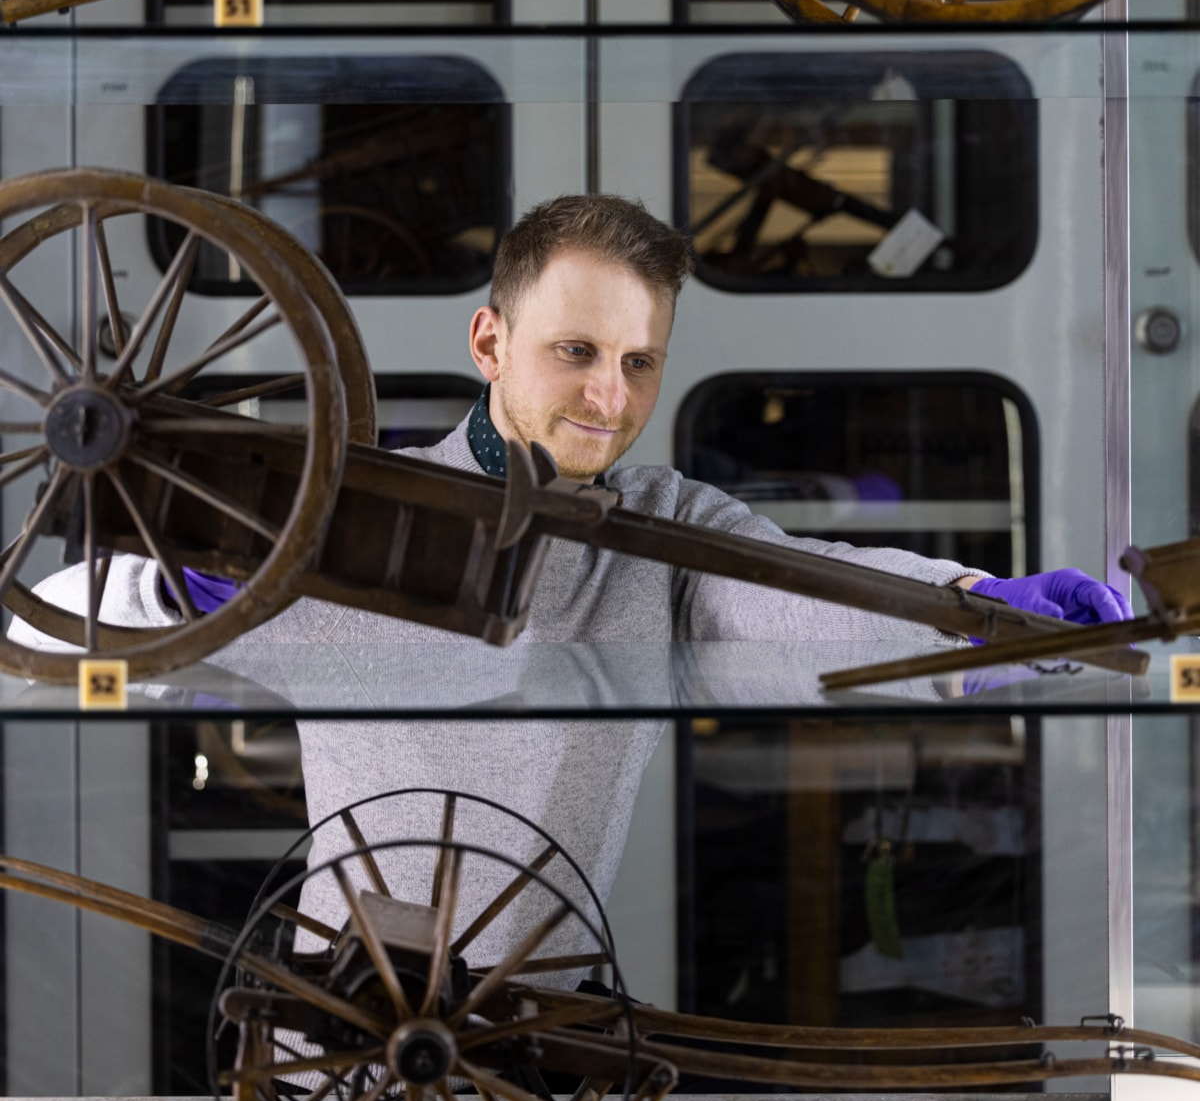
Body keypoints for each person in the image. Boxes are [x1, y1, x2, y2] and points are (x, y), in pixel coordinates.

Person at [12, 194, 1131, 966]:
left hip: (548, 1022)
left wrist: (985, 616)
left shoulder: (670, 526)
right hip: (342, 1009)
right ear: (490, 340)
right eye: (576, 352)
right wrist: (175, 592)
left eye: (641, 362)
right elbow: (59, 629)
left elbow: (809, 590)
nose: (611, 398)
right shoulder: (343, 519)